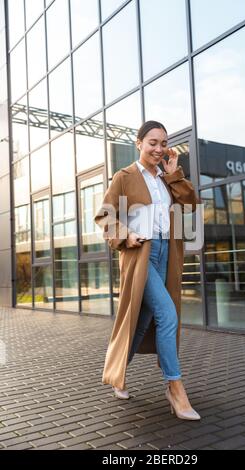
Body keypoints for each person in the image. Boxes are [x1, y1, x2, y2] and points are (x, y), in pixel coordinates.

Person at [95, 120, 201, 420]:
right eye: (152, 142)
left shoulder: (167, 178)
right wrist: (125, 234)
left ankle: (116, 373)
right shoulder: (124, 176)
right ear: (138, 143)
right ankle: (175, 388)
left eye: (163, 143)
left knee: (142, 320)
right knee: (167, 314)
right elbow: (105, 215)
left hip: (168, 254)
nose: (159, 148)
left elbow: (191, 206)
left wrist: (175, 175)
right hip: (142, 252)